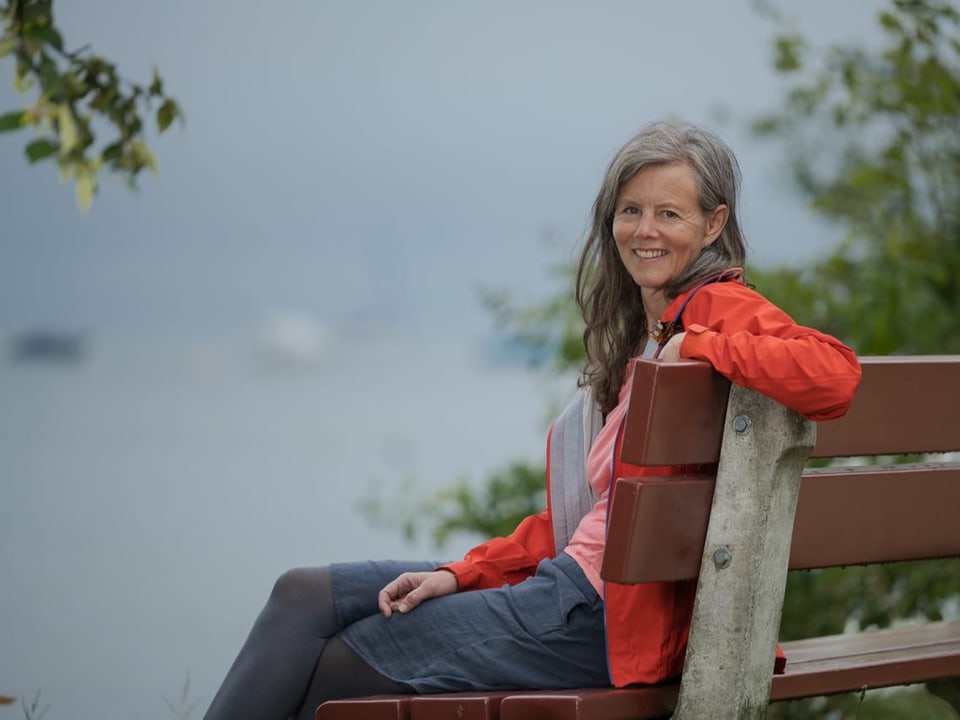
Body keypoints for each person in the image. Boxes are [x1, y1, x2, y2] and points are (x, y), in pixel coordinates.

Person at [202, 121, 862, 720]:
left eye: (669, 213)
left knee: (342, 660)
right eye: (630, 211)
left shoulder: (716, 309)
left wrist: (701, 346)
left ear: (714, 225)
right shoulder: (650, 331)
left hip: (600, 618)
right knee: (302, 594)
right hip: (578, 592)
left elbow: (835, 376)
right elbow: (583, 525)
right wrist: (460, 573)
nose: (644, 230)